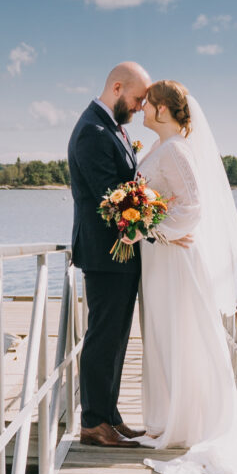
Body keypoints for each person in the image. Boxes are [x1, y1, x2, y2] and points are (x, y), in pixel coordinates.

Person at [131, 80, 237, 474]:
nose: (143, 109)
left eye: (148, 104)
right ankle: (165, 418)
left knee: (180, 332)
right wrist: (144, 226)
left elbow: (194, 207)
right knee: (163, 333)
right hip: (159, 258)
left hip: (174, 259)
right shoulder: (159, 148)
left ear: (164, 111)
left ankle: (185, 424)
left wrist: (153, 230)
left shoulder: (175, 151)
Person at [66, 61, 150, 448]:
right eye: (135, 100)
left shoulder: (109, 127)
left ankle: (110, 415)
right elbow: (108, 196)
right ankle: (93, 422)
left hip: (119, 254)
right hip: (105, 254)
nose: (137, 109)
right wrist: (147, 211)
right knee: (103, 337)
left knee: (116, 337)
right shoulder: (91, 131)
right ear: (117, 87)